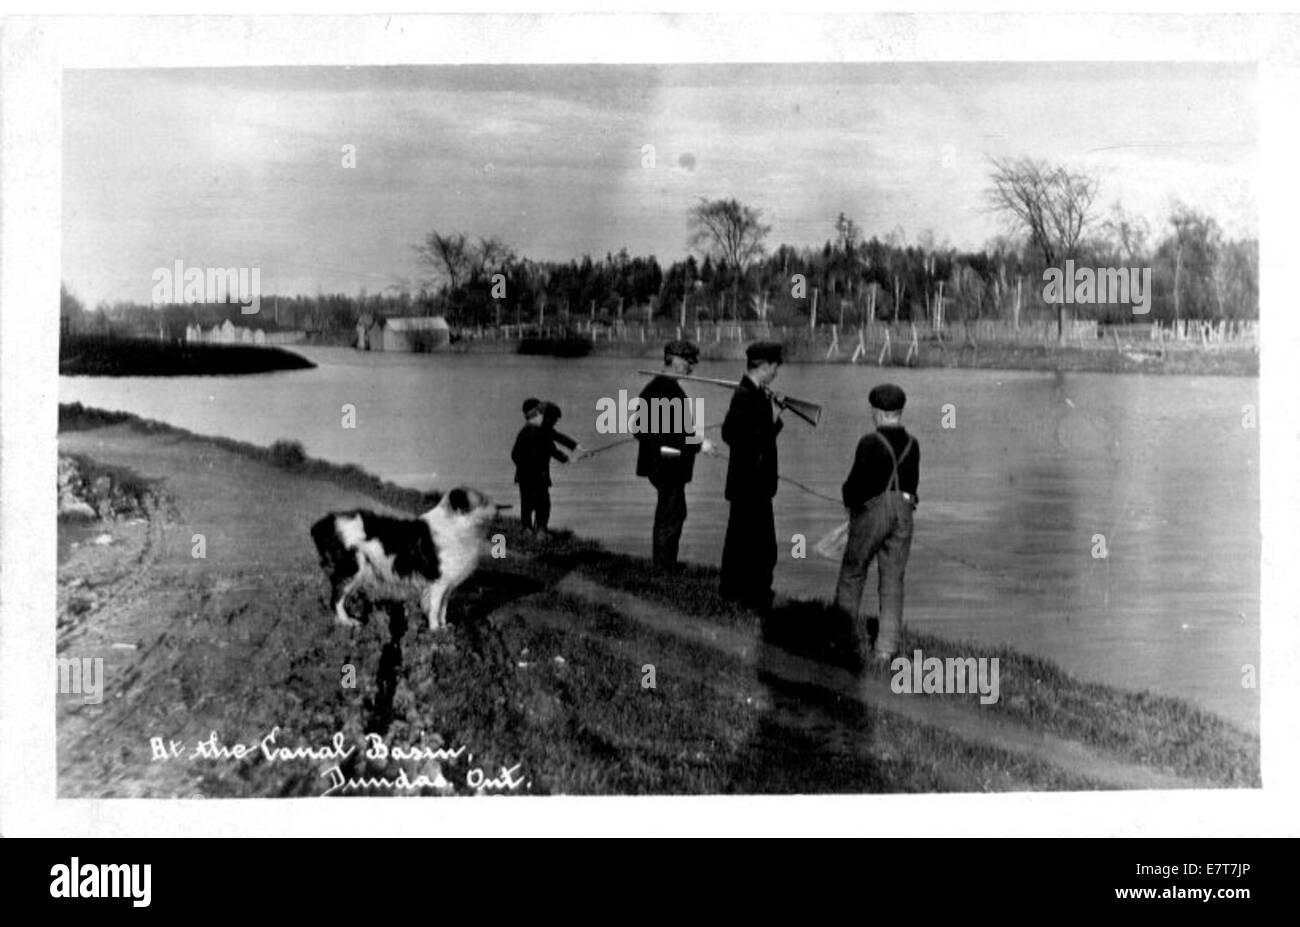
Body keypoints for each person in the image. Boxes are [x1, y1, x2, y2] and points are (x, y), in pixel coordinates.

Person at [834, 383, 920, 662]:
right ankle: (886, 648)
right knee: (893, 580)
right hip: (905, 512)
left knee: (853, 572)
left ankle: (843, 640)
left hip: (874, 514)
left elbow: (855, 487)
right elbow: (913, 483)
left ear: (880, 413)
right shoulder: (913, 444)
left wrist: (848, 502)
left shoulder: (869, 443)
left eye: (873, 411)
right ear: (899, 412)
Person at [635, 340, 715, 570]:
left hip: (661, 462)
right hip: (667, 464)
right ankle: (664, 567)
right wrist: (700, 444)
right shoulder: (668, 391)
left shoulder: (657, 387)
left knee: (672, 511)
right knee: (672, 513)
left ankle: (664, 563)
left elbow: (646, 429)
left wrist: (691, 438)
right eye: (689, 362)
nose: (691, 368)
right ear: (677, 361)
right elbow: (671, 435)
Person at [719, 341, 785, 611]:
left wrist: (772, 418)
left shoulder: (751, 393)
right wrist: (773, 419)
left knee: (742, 541)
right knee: (762, 547)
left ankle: (736, 592)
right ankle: (754, 596)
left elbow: (751, 436)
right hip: (752, 484)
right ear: (766, 366)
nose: (777, 373)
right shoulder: (747, 395)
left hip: (748, 483)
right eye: (775, 367)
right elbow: (733, 435)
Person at [511, 397, 571, 534]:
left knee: (528, 502)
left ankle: (529, 528)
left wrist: (564, 458)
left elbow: (516, 454)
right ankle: (539, 529)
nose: (555, 423)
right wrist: (563, 458)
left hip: (527, 475)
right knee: (542, 502)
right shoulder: (536, 431)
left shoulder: (531, 430)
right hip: (536, 475)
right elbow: (551, 449)